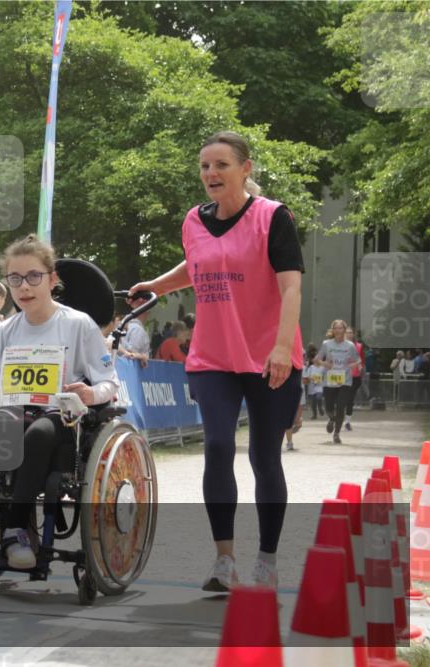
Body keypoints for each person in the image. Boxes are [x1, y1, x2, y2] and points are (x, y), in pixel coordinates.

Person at [129, 131, 304, 591]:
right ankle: (224, 560)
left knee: (265, 458)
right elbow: (197, 264)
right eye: (205, 166)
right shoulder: (194, 220)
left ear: (246, 169)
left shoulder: (273, 218)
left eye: (221, 165)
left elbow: (291, 287)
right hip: (213, 356)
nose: (211, 174)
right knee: (218, 447)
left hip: (270, 355)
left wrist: (283, 348)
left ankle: (266, 560)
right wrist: (155, 286)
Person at [0, 235, 119, 570]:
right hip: (14, 412)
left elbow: (110, 383)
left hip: (60, 418)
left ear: (52, 279)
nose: (24, 287)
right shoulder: (7, 330)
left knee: (39, 434)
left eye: (33, 277)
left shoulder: (79, 325)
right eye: (15, 279)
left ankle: (16, 529)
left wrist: (91, 394)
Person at [315, 319, 361, 444]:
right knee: (329, 407)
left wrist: (353, 365)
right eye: (336, 328)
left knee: (341, 406)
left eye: (340, 328)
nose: (338, 330)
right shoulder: (326, 344)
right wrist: (325, 363)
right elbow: (316, 360)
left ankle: (336, 434)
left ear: (344, 330)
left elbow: (358, 360)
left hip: (345, 380)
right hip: (330, 380)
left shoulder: (350, 346)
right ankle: (332, 418)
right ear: (333, 330)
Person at [343, 326, 364, 431]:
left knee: (350, 399)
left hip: (355, 376)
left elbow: (361, 360)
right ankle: (337, 418)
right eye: (347, 332)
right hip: (342, 376)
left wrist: (360, 367)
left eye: (351, 332)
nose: (349, 334)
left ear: (353, 334)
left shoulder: (359, 346)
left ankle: (347, 421)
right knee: (341, 399)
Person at [119, 302, 151, 366]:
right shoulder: (138, 330)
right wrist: (143, 356)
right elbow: (131, 352)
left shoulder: (129, 325)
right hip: (128, 370)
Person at [304, 354, 326, 419]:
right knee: (313, 402)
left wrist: (321, 379)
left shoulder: (323, 368)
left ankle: (320, 408)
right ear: (313, 360)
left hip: (320, 386)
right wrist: (311, 378)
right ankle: (314, 415)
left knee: (318, 397)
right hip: (312, 386)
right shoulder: (311, 368)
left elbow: (325, 376)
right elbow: (307, 376)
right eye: (316, 359)